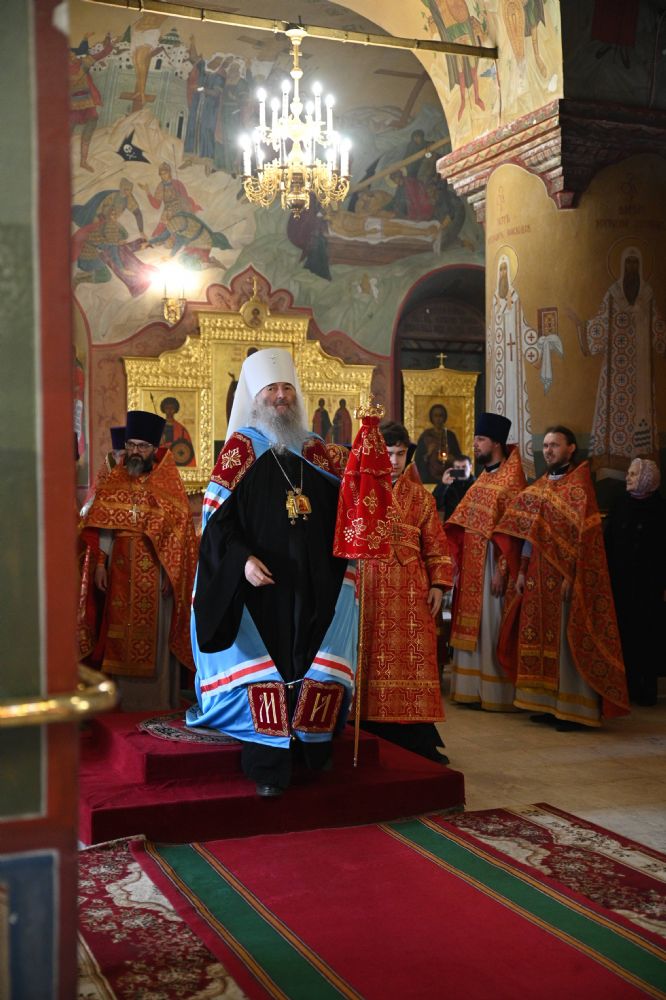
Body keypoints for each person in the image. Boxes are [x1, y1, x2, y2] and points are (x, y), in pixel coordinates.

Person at [189, 349, 358, 797]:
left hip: (314, 583)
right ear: (255, 396)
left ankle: (311, 749)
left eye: (286, 388)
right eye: (271, 389)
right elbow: (217, 524)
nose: (281, 396)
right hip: (258, 588)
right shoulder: (240, 450)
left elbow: (345, 510)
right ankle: (267, 766)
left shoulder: (316, 449)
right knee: (269, 667)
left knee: (309, 660)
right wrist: (242, 561)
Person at [494, 425, 629, 730]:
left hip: (566, 578)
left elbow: (585, 541)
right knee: (539, 635)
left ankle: (573, 708)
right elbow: (528, 534)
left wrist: (573, 575)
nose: (549, 450)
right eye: (545, 445)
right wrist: (522, 570)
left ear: (571, 448)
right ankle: (545, 703)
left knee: (566, 643)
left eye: (555, 445)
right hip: (536, 576)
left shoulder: (579, 488)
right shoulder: (540, 487)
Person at [78, 410, 198, 710]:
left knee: (154, 637)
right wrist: (101, 564)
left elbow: (179, 535)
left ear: (154, 449)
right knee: (118, 633)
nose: (134, 451)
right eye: (130, 445)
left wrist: (173, 574)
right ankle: (124, 704)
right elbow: (104, 526)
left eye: (142, 446)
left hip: (157, 571)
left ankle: (156, 701)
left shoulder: (167, 483)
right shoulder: (114, 479)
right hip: (119, 566)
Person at [359, 421, 450, 763]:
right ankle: (366, 728)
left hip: (412, 592)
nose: (395, 461)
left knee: (414, 661)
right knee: (369, 657)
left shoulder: (421, 498)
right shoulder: (359, 491)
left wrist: (439, 584)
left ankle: (415, 736)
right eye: (388, 454)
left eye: (400, 454)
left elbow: (436, 545)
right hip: (369, 589)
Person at [444, 413, 526, 710]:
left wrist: (502, 570)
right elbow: (462, 520)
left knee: (490, 625)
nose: (475, 444)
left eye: (480, 439)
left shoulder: (511, 480)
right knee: (473, 627)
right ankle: (470, 689)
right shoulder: (484, 477)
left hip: (493, 565)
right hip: (472, 565)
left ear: (496, 443)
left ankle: (494, 693)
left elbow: (514, 532)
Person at [604, 458, 666, 706]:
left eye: (632, 474)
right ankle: (626, 687)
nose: (627, 478)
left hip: (649, 586)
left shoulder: (660, 510)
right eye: (628, 473)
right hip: (621, 583)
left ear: (647, 479)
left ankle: (646, 688)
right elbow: (609, 541)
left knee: (648, 636)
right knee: (624, 635)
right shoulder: (621, 504)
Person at [414, 403, 462, 484]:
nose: (438, 419)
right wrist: (428, 453)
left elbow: (459, 459)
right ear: (431, 418)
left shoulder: (450, 436)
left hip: (448, 476)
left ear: (444, 417)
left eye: (441, 415)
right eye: (436, 416)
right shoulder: (425, 436)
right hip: (429, 478)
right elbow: (418, 461)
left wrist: (452, 459)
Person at [433, 454, 475, 521]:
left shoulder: (478, 484)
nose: (461, 470)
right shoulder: (448, 484)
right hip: (451, 523)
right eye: (458, 467)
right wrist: (443, 484)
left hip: (471, 523)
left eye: (464, 467)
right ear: (454, 469)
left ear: (470, 467)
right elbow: (435, 505)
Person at [159, 396, 196, 467]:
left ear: (175, 409)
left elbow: (187, 450)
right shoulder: (158, 428)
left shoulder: (181, 429)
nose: (169, 411)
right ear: (163, 409)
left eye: (172, 408)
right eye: (167, 408)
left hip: (178, 460)